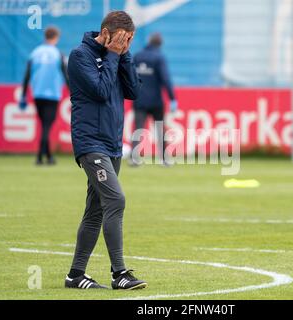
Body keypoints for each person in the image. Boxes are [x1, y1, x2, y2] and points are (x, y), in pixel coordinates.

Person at [66, 11, 147, 290]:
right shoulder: (80, 56)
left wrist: (124, 56)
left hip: (112, 144)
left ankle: (75, 275)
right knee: (116, 200)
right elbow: (100, 90)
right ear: (107, 32)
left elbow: (134, 91)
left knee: (96, 211)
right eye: (124, 39)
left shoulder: (118, 55)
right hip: (90, 143)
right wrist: (113, 55)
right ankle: (119, 274)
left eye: (130, 40)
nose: (126, 43)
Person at [20, 26, 69, 165]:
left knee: (44, 125)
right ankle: (39, 157)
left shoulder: (35, 53)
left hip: (38, 93)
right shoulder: (58, 54)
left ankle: (49, 156)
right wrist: (73, 93)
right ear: (56, 37)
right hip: (52, 94)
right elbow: (65, 75)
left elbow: (27, 74)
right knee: (47, 126)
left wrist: (23, 94)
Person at [131, 32, 178, 166]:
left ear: (149, 41)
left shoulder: (137, 56)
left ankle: (134, 158)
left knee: (138, 129)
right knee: (160, 128)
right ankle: (164, 158)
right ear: (160, 44)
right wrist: (172, 98)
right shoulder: (159, 57)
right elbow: (165, 79)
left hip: (139, 99)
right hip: (156, 101)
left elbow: (130, 76)